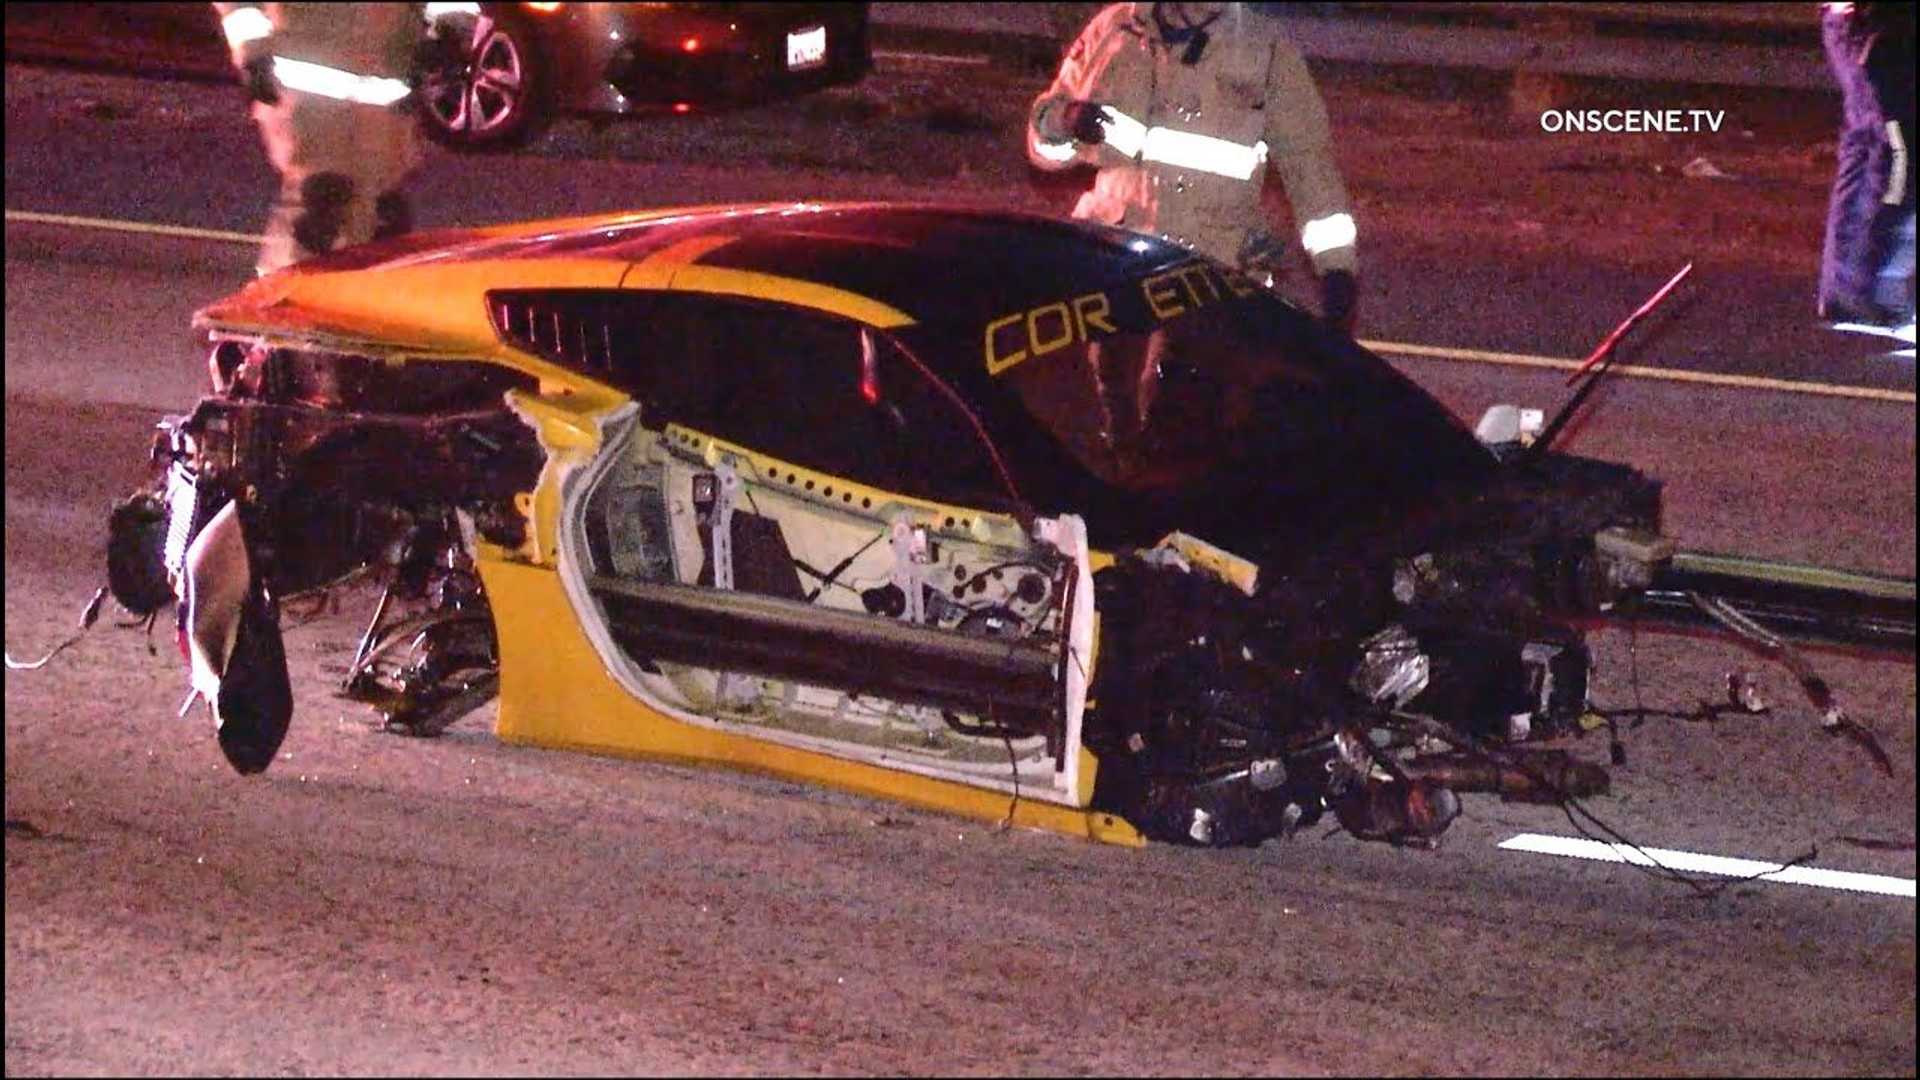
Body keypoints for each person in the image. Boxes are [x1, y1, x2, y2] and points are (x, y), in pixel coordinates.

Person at [1027, 2, 1360, 334]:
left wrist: (1337, 272)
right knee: (1105, 384)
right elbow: (1042, 146)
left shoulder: (1266, 48)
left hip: (1212, 280)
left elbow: (1310, 167)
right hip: (1116, 263)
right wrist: (1066, 120)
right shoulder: (1115, 28)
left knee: (1194, 381)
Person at [214, 2, 440, 277]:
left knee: (377, 212)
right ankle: (284, 301)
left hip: (385, 92)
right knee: (321, 203)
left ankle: (354, 305)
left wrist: (450, 29)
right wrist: (253, 52)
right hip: (308, 91)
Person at [1818, 2, 1916, 344]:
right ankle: (1855, 285)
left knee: (1866, 151)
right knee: (1886, 154)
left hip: (1871, 31)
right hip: (1868, 33)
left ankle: (1845, 287)